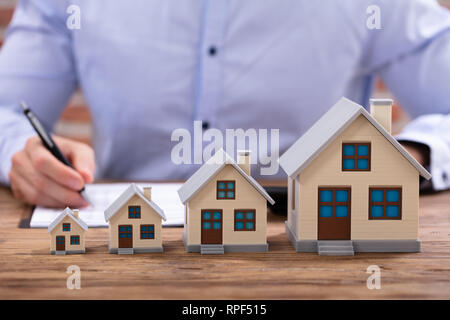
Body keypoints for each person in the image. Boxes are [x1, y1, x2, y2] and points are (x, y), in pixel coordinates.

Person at [0, 0, 449, 208]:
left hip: (305, 246)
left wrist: (411, 156)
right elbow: (6, 110)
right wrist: (22, 154)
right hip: (123, 236)